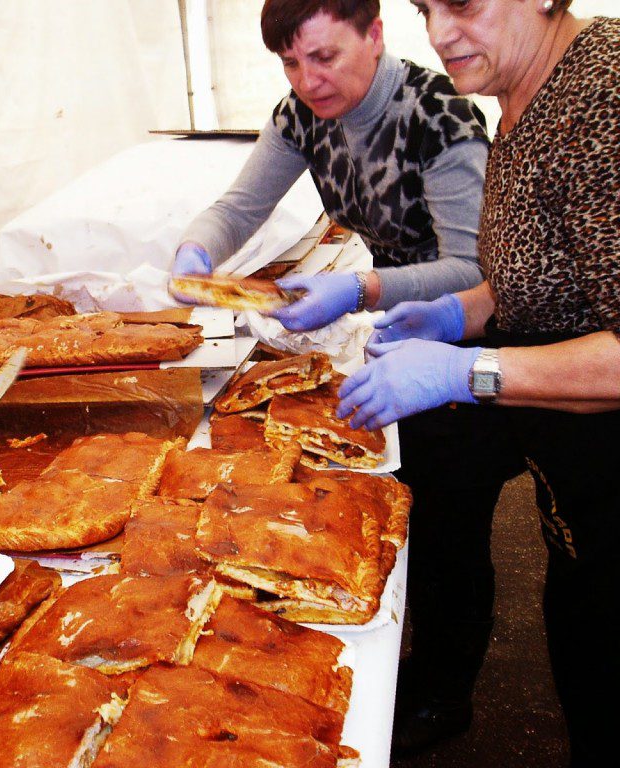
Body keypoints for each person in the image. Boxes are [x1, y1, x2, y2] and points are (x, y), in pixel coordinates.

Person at [172, 0, 527, 755]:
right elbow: (240, 205)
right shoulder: (302, 114)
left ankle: (446, 697)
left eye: (325, 57)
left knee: (448, 524)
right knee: (397, 510)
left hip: (466, 344)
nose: (308, 80)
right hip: (402, 330)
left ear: (375, 34)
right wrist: (197, 252)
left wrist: (363, 289)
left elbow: (476, 268)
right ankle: (405, 667)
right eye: (292, 63)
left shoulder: (440, 116)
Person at [337, 2, 620, 764]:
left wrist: (472, 371)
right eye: (426, 7)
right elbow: (540, 272)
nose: (439, 32)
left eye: (463, 3)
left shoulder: (606, 98)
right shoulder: (521, 92)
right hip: (574, 481)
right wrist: (458, 312)